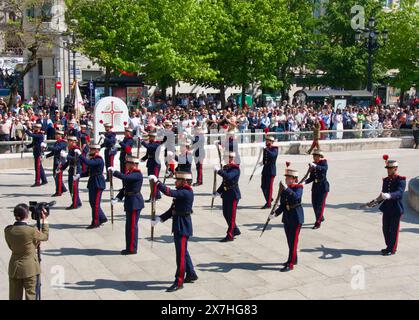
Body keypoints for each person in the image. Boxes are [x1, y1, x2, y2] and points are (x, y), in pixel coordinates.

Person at [149, 171, 198, 292]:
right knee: (183, 252)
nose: (175, 182)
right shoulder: (181, 191)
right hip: (178, 224)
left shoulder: (186, 192)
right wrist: (160, 218)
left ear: (184, 182)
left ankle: (179, 281)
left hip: (183, 227)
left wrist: (158, 183)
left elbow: (169, 192)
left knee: (180, 256)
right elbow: (173, 210)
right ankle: (191, 274)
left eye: (178, 180)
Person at [4, 204, 49, 300]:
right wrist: (45, 220)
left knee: (14, 297)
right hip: (30, 268)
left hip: (14, 268)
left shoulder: (8, 230)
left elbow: (11, 246)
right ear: (27, 215)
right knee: (31, 295)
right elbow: (45, 236)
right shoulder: (31, 231)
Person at [269, 164, 304, 272]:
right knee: (290, 241)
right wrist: (275, 214)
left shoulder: (299, 188)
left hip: (296, 217)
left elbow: (296, 197)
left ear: (294, 179)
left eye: (288, 178)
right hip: (287, 217)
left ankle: (290, 263)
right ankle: (294, 258)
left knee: (293, 242)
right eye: (286, 178)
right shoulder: (286, 188)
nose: (286, 179)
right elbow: (283, 204)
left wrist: (286, 189)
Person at [109, 157, 144, 255]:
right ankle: (129, 247)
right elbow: (125, 189)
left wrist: (115, 172)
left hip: (135, 203)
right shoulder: (130, 173)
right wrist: (118, 198)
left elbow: (125, 178)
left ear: (133, 164)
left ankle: (132, 249)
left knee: (132, 227)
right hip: (130, 202)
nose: (126, 165)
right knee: (129, 227)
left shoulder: (137, 174)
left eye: (127, 163)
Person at [379, 156, 406, 256]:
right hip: (386, 208)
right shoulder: (386, 180)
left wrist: (390, 195)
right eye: (388, 169)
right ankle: (388, 246)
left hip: (396, 209)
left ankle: (392, 249)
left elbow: (399, 193)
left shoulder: (401, 180)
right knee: (385, 229)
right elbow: (382, 194)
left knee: (394, 230)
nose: (388, 171)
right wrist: (373, 202)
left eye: (390, 169)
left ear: (395, 169)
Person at [76, 144, 108, 229]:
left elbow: (88, 163)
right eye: (90, 149)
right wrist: (79, 175)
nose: (90, 150)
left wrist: (80, 155)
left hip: (98, 183)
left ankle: (95, 222)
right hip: (92, 182)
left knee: (96, 204)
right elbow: (88, 172)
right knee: (92, 202)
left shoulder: (98, 159)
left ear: (97, 150)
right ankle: (102, 217)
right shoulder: (93, 158)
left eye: (92, 149)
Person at [213, 151, 241, 242]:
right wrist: (218, 192)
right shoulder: (226, 167)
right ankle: (235, 230)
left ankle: (230, 235)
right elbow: (224, 182)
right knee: (226, 214)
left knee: (231, 216)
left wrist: (219, 171)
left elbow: (228, 177)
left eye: (230, 158)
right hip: (226, 194)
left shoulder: (235, 169)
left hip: (233, 195)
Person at [304, 148, 329, 229]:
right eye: (314, 156)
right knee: (314, 205)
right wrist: (304, 182)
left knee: (320, 206)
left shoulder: (324, 162)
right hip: (315, 187)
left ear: (320, 156)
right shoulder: (313, 164)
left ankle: (318, 222)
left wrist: (315, 166)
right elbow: (311, 177)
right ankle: (320, 217)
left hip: (323, 187)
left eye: (316, 156)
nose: (314, 157)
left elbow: (324, 169)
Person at [61, 136, 82, 209]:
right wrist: (62, 168)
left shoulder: (76, 149)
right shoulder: (71, 149)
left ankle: (75, 203)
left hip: (75, 170)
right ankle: (77, 202)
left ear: (73, 142)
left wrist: (67, 156)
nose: (68, 142)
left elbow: (76, 159)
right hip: (72, 169)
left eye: (69, 141)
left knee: (74, 188)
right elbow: (69, 161)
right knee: (71, 187)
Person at [45, 130, 67, 197]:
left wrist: (47, 147)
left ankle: (59, 191)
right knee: (55, 176)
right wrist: (46, 156)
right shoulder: (57, 142)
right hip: (56, 160)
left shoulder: (63, 142)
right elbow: (53, 152)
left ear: (60, 135)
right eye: (55, 134)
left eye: (57, 134)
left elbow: (57, 149)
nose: (55, 135)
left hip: (60, 161)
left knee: (58, 177)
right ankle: (62, 188)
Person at [140, 131, 162, 201]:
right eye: (149, 137)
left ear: (154, 137)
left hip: (155, 164)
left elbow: (148, 147)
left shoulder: (157, 144)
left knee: (154, 180)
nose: (149, 138)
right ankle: (157, 194)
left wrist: (142, 141)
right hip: (150, 163)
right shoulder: (151, 144)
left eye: (150, 137)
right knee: (151, 180)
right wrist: (143, 159)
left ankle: (153, 196)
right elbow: (148, 154)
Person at [260, 136, 278, 209]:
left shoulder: (275, 149)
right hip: (265, 170)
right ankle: (269, 199)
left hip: (271, 170)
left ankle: (268, 204)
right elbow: (265, 159)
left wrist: (266, 149)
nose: (266, 142)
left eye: (268, 141)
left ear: (271, 142)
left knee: (269, 188)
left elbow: (273, 155)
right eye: (266, 140)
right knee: (263, 186)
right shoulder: (266, 149)